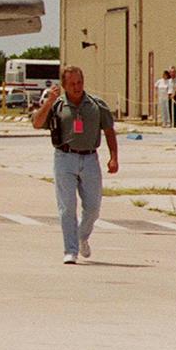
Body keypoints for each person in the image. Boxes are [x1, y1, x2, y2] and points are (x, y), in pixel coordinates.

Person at [32, 66, 118, 264]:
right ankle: (70, 250)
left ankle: (82, 236)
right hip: (65, 158)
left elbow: (109, 131)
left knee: (93, 208)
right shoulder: (58, 106)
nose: (76, 87)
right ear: (64, 86)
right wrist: (49, 102)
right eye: (71, 84)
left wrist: (114, 157)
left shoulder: (97, 105)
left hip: (89, 159)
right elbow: (37, 123)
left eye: (79, 83)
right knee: (67, 207)